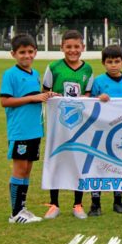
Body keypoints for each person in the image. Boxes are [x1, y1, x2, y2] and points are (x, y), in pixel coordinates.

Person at [0, 34, 57, 223]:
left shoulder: (35, 74)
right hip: (20, 130)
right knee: (20, 169)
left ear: (35, 52)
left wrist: (47, 95)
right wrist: (33, 98)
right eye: (22, 52)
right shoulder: (10, 74)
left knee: (27, 169)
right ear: (13, 54)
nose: (27, 55)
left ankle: (22, 209)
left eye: (30, 51)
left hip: (35, 129)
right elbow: (5, 101)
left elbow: (36, 95)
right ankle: (15, 213)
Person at [42, 29, 94, 219]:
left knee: (78, 161)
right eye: (69, 47)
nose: (73, 50)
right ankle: (54, 204)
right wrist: (52, 96)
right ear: (62, 47)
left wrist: (83, 99)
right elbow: (45, 92)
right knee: (56, 160)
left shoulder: (88, 69)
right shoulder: (53, 67)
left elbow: (88, 95)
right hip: (58, 124)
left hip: (79, 124)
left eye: (76, 46)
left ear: (83, 47)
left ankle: (77, 204)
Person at [88, 45, 122, 216]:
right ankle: (95, 203)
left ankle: (118, 201)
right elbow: (89, 103)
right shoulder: (99, 81)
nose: (113, 65)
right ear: (103, 63)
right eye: (109, 62)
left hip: (121, 131)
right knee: (98, 165)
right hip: (101, 130)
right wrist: (97, 98)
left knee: (119, 165)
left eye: (117, 61)